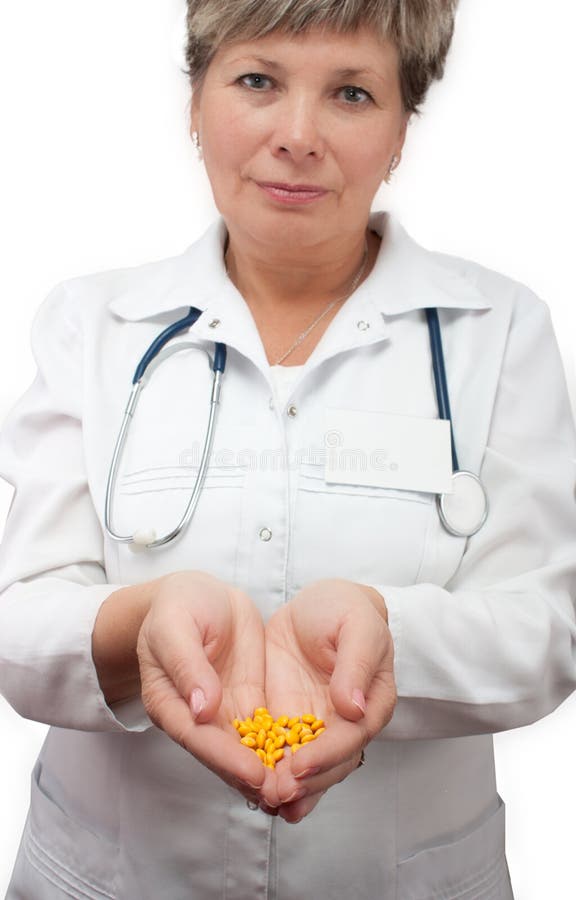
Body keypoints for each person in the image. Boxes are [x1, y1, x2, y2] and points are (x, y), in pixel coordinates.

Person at [0, 0, 575, 896]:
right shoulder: (91, 326)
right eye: (257, 81)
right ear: (195, 102)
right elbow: (17, 621)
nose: (298, 136)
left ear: (402, 130)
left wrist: (389, 633)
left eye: (351, 93)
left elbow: (549, 628)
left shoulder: (499, 331)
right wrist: (139, 623)